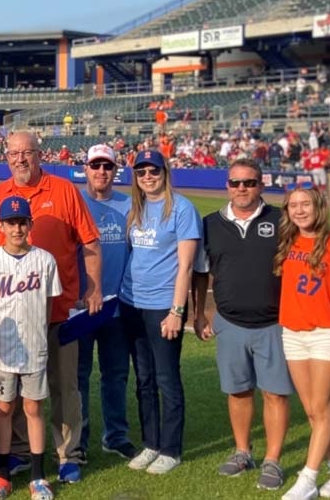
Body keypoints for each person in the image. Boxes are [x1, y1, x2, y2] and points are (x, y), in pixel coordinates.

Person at [0, 130, 102, 484]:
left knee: (63, 387)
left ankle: (67, 455)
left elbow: (89, 242)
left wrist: (93, 286)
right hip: (10, 320)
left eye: (26, 153)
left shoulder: (63, 190)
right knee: (12, 394)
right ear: (6, 157)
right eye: (14, 154)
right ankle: (16, 452)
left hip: (56, 313)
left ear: (39, 154)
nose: (20, 160)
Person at [192, 158, 295, 490]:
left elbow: (312, 250)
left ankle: (273, 459)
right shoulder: (211, 224)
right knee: (237, 391)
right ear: (227, 186)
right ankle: (242, 451)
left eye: (249, 183)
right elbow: (201, 273)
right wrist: (199, 313)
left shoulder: (282, 220)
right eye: (235, 183)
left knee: (275, 393)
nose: (242, 189)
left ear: (261, 185)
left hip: (274, 323)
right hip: (230, 322)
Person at [0, 196, 63, 500]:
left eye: (22, 222)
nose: (17, 228)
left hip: (34, 347)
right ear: (0, 226)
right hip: (1, 349)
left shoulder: (45, 260)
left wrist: (36, 330)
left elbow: (48, 303)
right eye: (11, 223)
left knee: (34, 407)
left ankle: (38, 477)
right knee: (4, 408)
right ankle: (2, 474)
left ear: (30, 225)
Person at [120, 150, 201, 476]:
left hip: (162, 308)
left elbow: (186, 266)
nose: (148, 177)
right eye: (141, 172)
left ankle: (171, 449)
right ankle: (151, 443)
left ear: (164, 172)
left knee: (167, 379)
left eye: (153, 171)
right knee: (144, 379)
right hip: (131, 303)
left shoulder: (182, 209)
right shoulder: (134, 208)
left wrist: (177, 311)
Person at [272, 188, 330, 499]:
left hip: (326, 334)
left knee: (321, 408)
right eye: (293, 205)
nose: (300, 210)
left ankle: (307, 480)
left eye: (306, 204)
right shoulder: (286, 241)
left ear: (319, 207)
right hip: (292, 333)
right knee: (311, 411)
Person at [74, 145, 138, 461]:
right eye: (95, 165)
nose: (101, 171)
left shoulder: (129, 205)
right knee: (79, 376)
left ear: (115, 171)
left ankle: (115, 435)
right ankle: (79, 441)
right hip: (81, 307)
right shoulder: (74, 202)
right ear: (85, 168)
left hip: (116, 305)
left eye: (107, 166)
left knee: (115, 374)